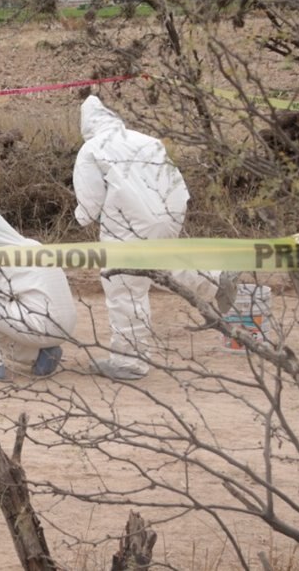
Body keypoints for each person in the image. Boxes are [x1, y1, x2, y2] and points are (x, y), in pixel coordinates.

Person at [73, 96, 235, 380]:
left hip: (130, 224)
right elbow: (174, 178)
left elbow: (89, 205)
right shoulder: (147, 140)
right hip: (170, 211)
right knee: (159, 265)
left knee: (124, 286)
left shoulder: (92, 149)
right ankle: (214, 278)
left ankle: (129, 361)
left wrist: (83, 218)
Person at [0, 207, 78, 381]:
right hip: (65, 326)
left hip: (42, 324)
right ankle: (39, 355)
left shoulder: (0, 256)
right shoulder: (33, 244)